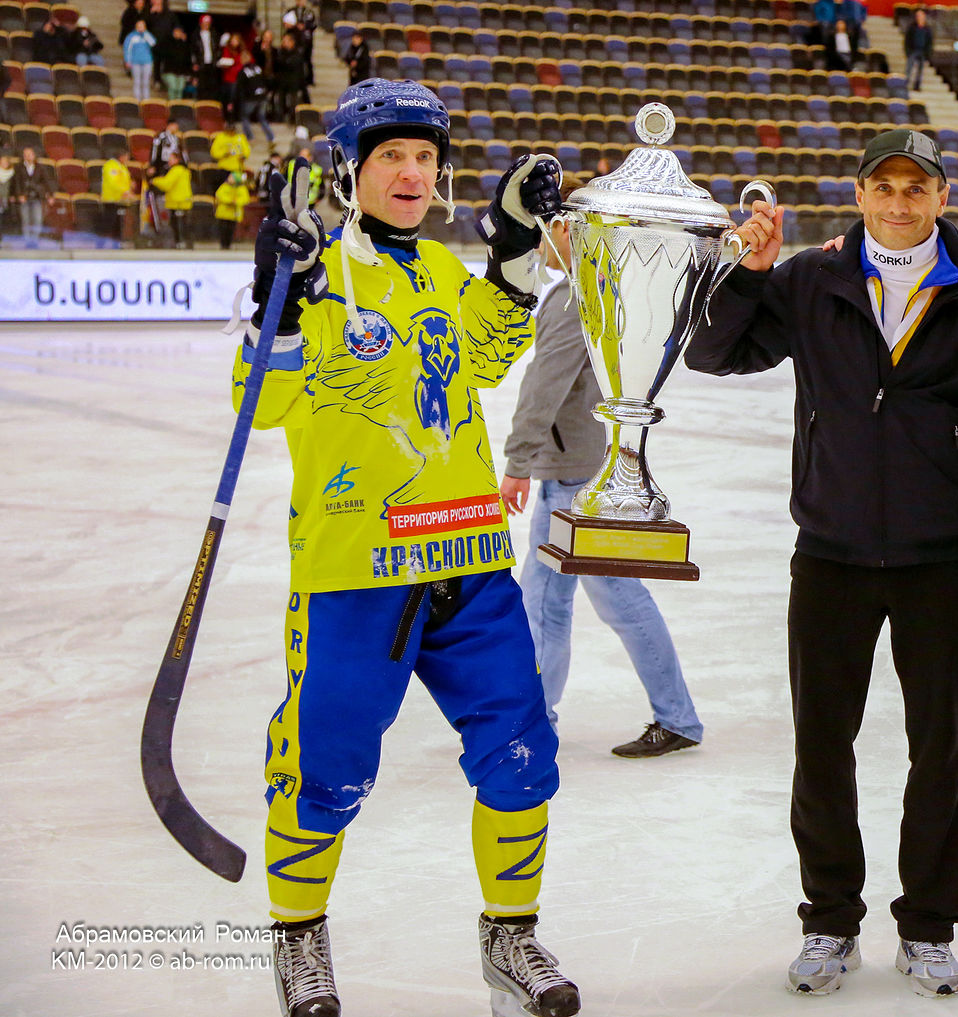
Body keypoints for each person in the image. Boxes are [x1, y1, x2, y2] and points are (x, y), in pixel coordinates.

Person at [232, 77, 579, 1017]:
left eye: (426, 156)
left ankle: (511, 934)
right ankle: (299, 939)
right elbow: (257, 405)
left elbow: (488, 358)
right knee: (324, 770)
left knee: (521, 752)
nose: (413, 173)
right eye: (392, 154)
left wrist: (511, 256)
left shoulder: (439, 270)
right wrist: (279, 302)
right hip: (355, 574)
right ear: (349, 168)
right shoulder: (315, 273)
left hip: (468, 564)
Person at [687, 129, 958, 998]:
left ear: (942, 197)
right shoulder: (811, 279)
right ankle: (829, 919)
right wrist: (747, 273)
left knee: (938, 750)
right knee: (822, 746)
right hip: (830, 554)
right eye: (885, 186)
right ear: (859, 194)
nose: (900, 202)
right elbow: (713, 352)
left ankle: (929, 926)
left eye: (917, 187)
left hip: (940, 558)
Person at [498, 180, 704, 761]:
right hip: (592, 466)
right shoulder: (609, 284)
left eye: (544, 230)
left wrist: (518, 460)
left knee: (564, 601)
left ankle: (537, 722)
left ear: (567, 229)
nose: (538, 242)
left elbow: (544, 385)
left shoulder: (575, 295)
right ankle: (665, 715)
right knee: (573, 597)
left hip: (574, 476)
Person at [146, 149, 192, 247]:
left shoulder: (176, 170)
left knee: (177, 223)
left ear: (177, 159)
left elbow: (167, 184)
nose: (169, 161)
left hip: (178, 201)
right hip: (182, 200)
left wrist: (154, 180)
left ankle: (179, 242)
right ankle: (182, 242)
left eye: (171, 158)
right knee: (181, 223)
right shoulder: (184, 170)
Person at [10, 148, 56, 246]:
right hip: (24, 197)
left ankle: (34, 240)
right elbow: (16, 183)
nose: (28, 156)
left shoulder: (40, 167)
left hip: (37, 197)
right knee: (25, 220)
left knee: (37, 219)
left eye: (29, 154)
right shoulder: (18, 167)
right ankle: (27, 240)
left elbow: (46, 182)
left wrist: (50, 195)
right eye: (25, 155)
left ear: (34, 155)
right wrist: (19, 195)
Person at [236, 48, 274, 143]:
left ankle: (250, 137)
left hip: (251, 98)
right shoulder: (258, 68)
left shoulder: (242, 72)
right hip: (262, 96)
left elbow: (240, 88)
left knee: (245, 116)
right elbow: (265, 80)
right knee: (262, 117)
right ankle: (271, 138)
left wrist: (239, 100)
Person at [99, 146, 134, 238]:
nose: (128, 159)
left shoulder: (122, 166)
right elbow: (113, 182)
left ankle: (117, 241)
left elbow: (123, 180)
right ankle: (104, 241)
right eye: (127, 156)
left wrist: (130, 185)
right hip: (111, 199)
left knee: (119, 223)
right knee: (109, 222)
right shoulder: (110, 166)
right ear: (121, 157)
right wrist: (125, 191)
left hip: (121, 200)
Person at [213, 168, 248, 248]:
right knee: (223, 229)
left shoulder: (242, 188)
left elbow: (245, 198)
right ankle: (223, 244)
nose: (229, 178)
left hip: (234, 214)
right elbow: (219, 195)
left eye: (232, 177)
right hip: (223, 213)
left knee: (231, 229)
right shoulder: (224, 186)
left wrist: (236, 202)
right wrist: (229, 201)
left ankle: (228, 244)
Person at [192, 13, 222, 100]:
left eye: (208, 23)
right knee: (202, 85)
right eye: (204, 23)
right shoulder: (196, 35)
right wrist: (194, 63)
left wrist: (217, 59)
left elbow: (218, 48)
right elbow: (193, 51)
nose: (206, 25)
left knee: (212, 85)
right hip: (201, 63)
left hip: (212, 63)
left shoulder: (214, 35)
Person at [903, 8, 932, 91]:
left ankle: (917, 85)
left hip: (923, 51)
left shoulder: (927, 29)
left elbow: (929, 42)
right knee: (909, 68)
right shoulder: (912, 27)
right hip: (913, 50)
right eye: (918, 15)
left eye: (921, 15)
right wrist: (907, 51)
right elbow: (907, 40)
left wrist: (928, 53)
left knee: (920, 70)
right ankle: (905, 83)